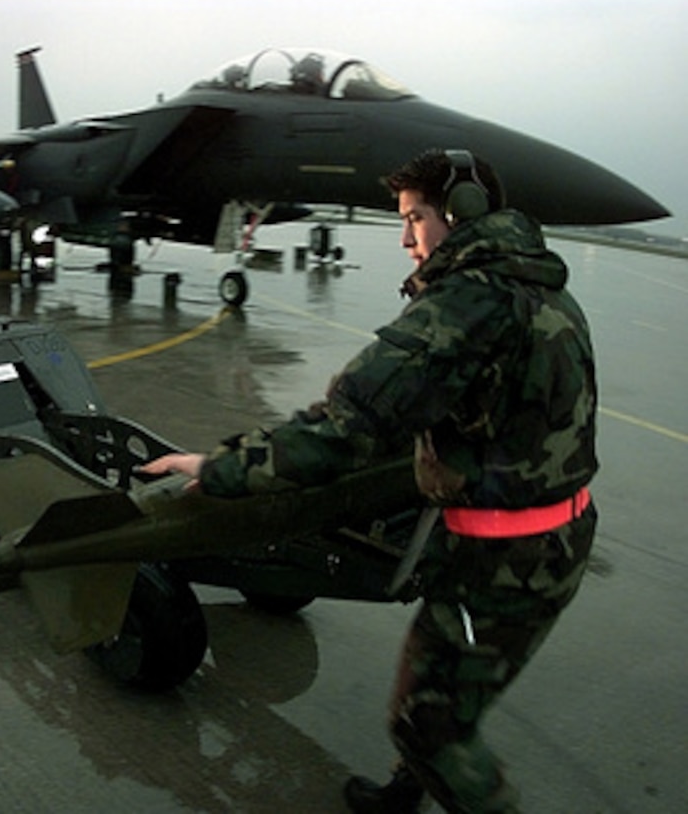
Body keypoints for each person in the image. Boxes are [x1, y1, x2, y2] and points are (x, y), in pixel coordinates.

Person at [141, 149, 598, 813]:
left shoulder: (469, 304)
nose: (406, 237)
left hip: (504, 560)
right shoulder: (543, 286)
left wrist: (222, 467)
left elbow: (343, 429)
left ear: (461, 212)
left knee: (429, 720)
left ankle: (428, 771)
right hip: (548, 535)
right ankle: (403, 792)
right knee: (443, 686)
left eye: (414, 217)